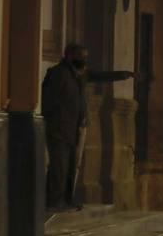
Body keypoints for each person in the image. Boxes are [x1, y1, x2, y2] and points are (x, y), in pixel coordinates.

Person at [40, 43, 133, 211]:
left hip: (76, 128)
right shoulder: (58, 74)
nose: (83, 60)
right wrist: (54, 121)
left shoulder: (80, 75)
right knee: (59, 166)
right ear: (68, 55)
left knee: (71, 166)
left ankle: (67, 199)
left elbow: (100, 76)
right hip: (59, 129)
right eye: (80, 56)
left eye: (85, 57)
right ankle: (54, 201)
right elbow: (49, 100)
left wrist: (125, 74)